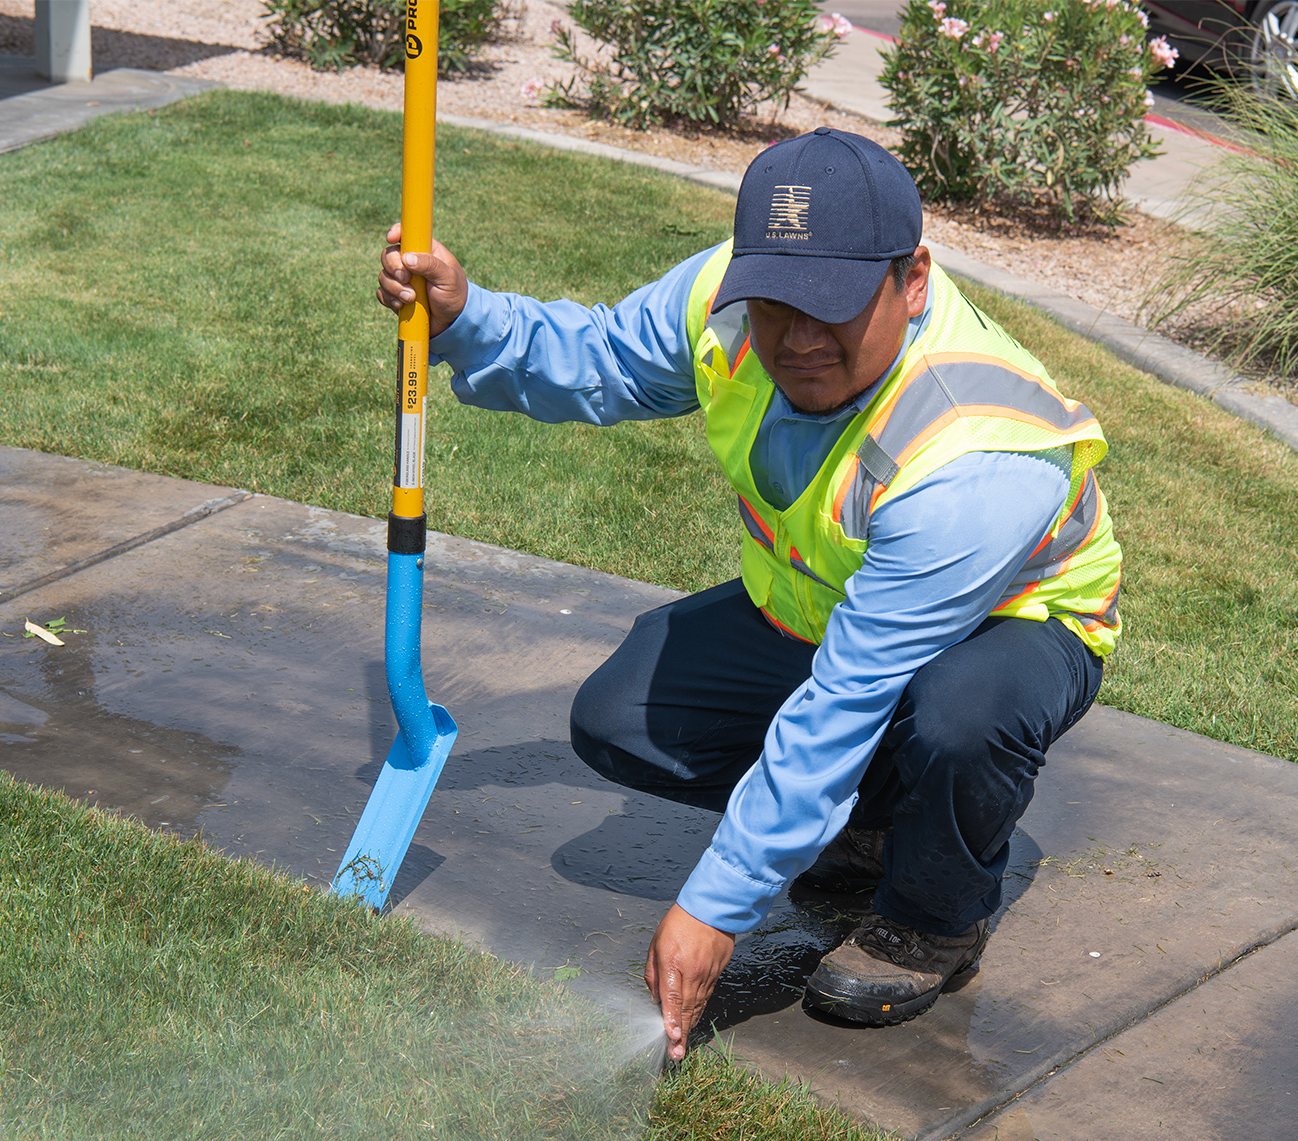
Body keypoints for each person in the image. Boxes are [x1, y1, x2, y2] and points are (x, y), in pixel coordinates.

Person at [375, 128, 1121, 1062]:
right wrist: (465, 320)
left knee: (957, 718)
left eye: (834, 307)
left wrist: (714, 905)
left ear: (914, 278)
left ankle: (935, 915)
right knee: (622, 717)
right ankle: (882, 820)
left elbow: (850, 693)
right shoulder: (725, 296)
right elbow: (606, 357)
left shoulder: (973, 454)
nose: (800, 340)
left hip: (1016, 631)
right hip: (824, 615)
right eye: (777, 303)